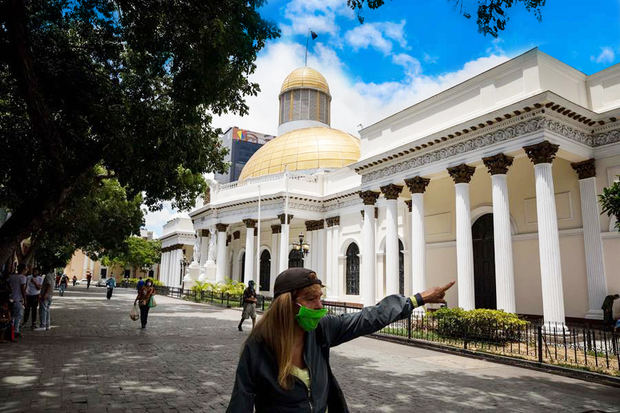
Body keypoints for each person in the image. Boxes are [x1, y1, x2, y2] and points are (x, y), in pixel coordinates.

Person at [227, 268, 454, 412]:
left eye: (320, 298)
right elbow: (241, 401)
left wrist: (417, 300)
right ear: (286, 304)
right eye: (310, 299)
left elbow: (368, 317)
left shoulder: (320, 330)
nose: (319, 306)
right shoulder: (258, 346)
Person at [8, 264, 27, 338]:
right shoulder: (23, 277)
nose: (27, 270)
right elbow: (23, 289)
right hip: (18, 299)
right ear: (23, 269)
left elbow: (7, 284)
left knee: (12, 316)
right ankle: (16, 331)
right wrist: (25, 300)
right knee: (18, 316)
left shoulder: (11, 276)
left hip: (11, 298)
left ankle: (11, 331)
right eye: (26, 268)